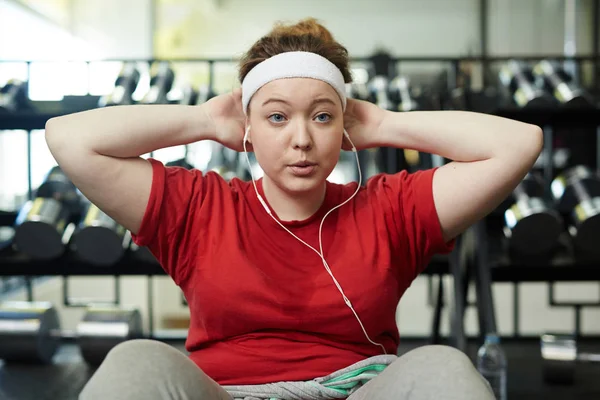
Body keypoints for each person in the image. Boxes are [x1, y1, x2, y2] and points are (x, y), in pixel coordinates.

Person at [45, 18, 541, 400]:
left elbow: (519, 144)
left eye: (322, 117)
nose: (301, 139)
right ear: (249, 128)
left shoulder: (391, 209)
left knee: (443, 365)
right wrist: (203, 120)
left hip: (356, 391)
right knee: (135, 360)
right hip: (223, 393)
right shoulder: (198, 206)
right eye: (277, 116)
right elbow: (68, 139)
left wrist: (388, 123)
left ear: (344, 127)